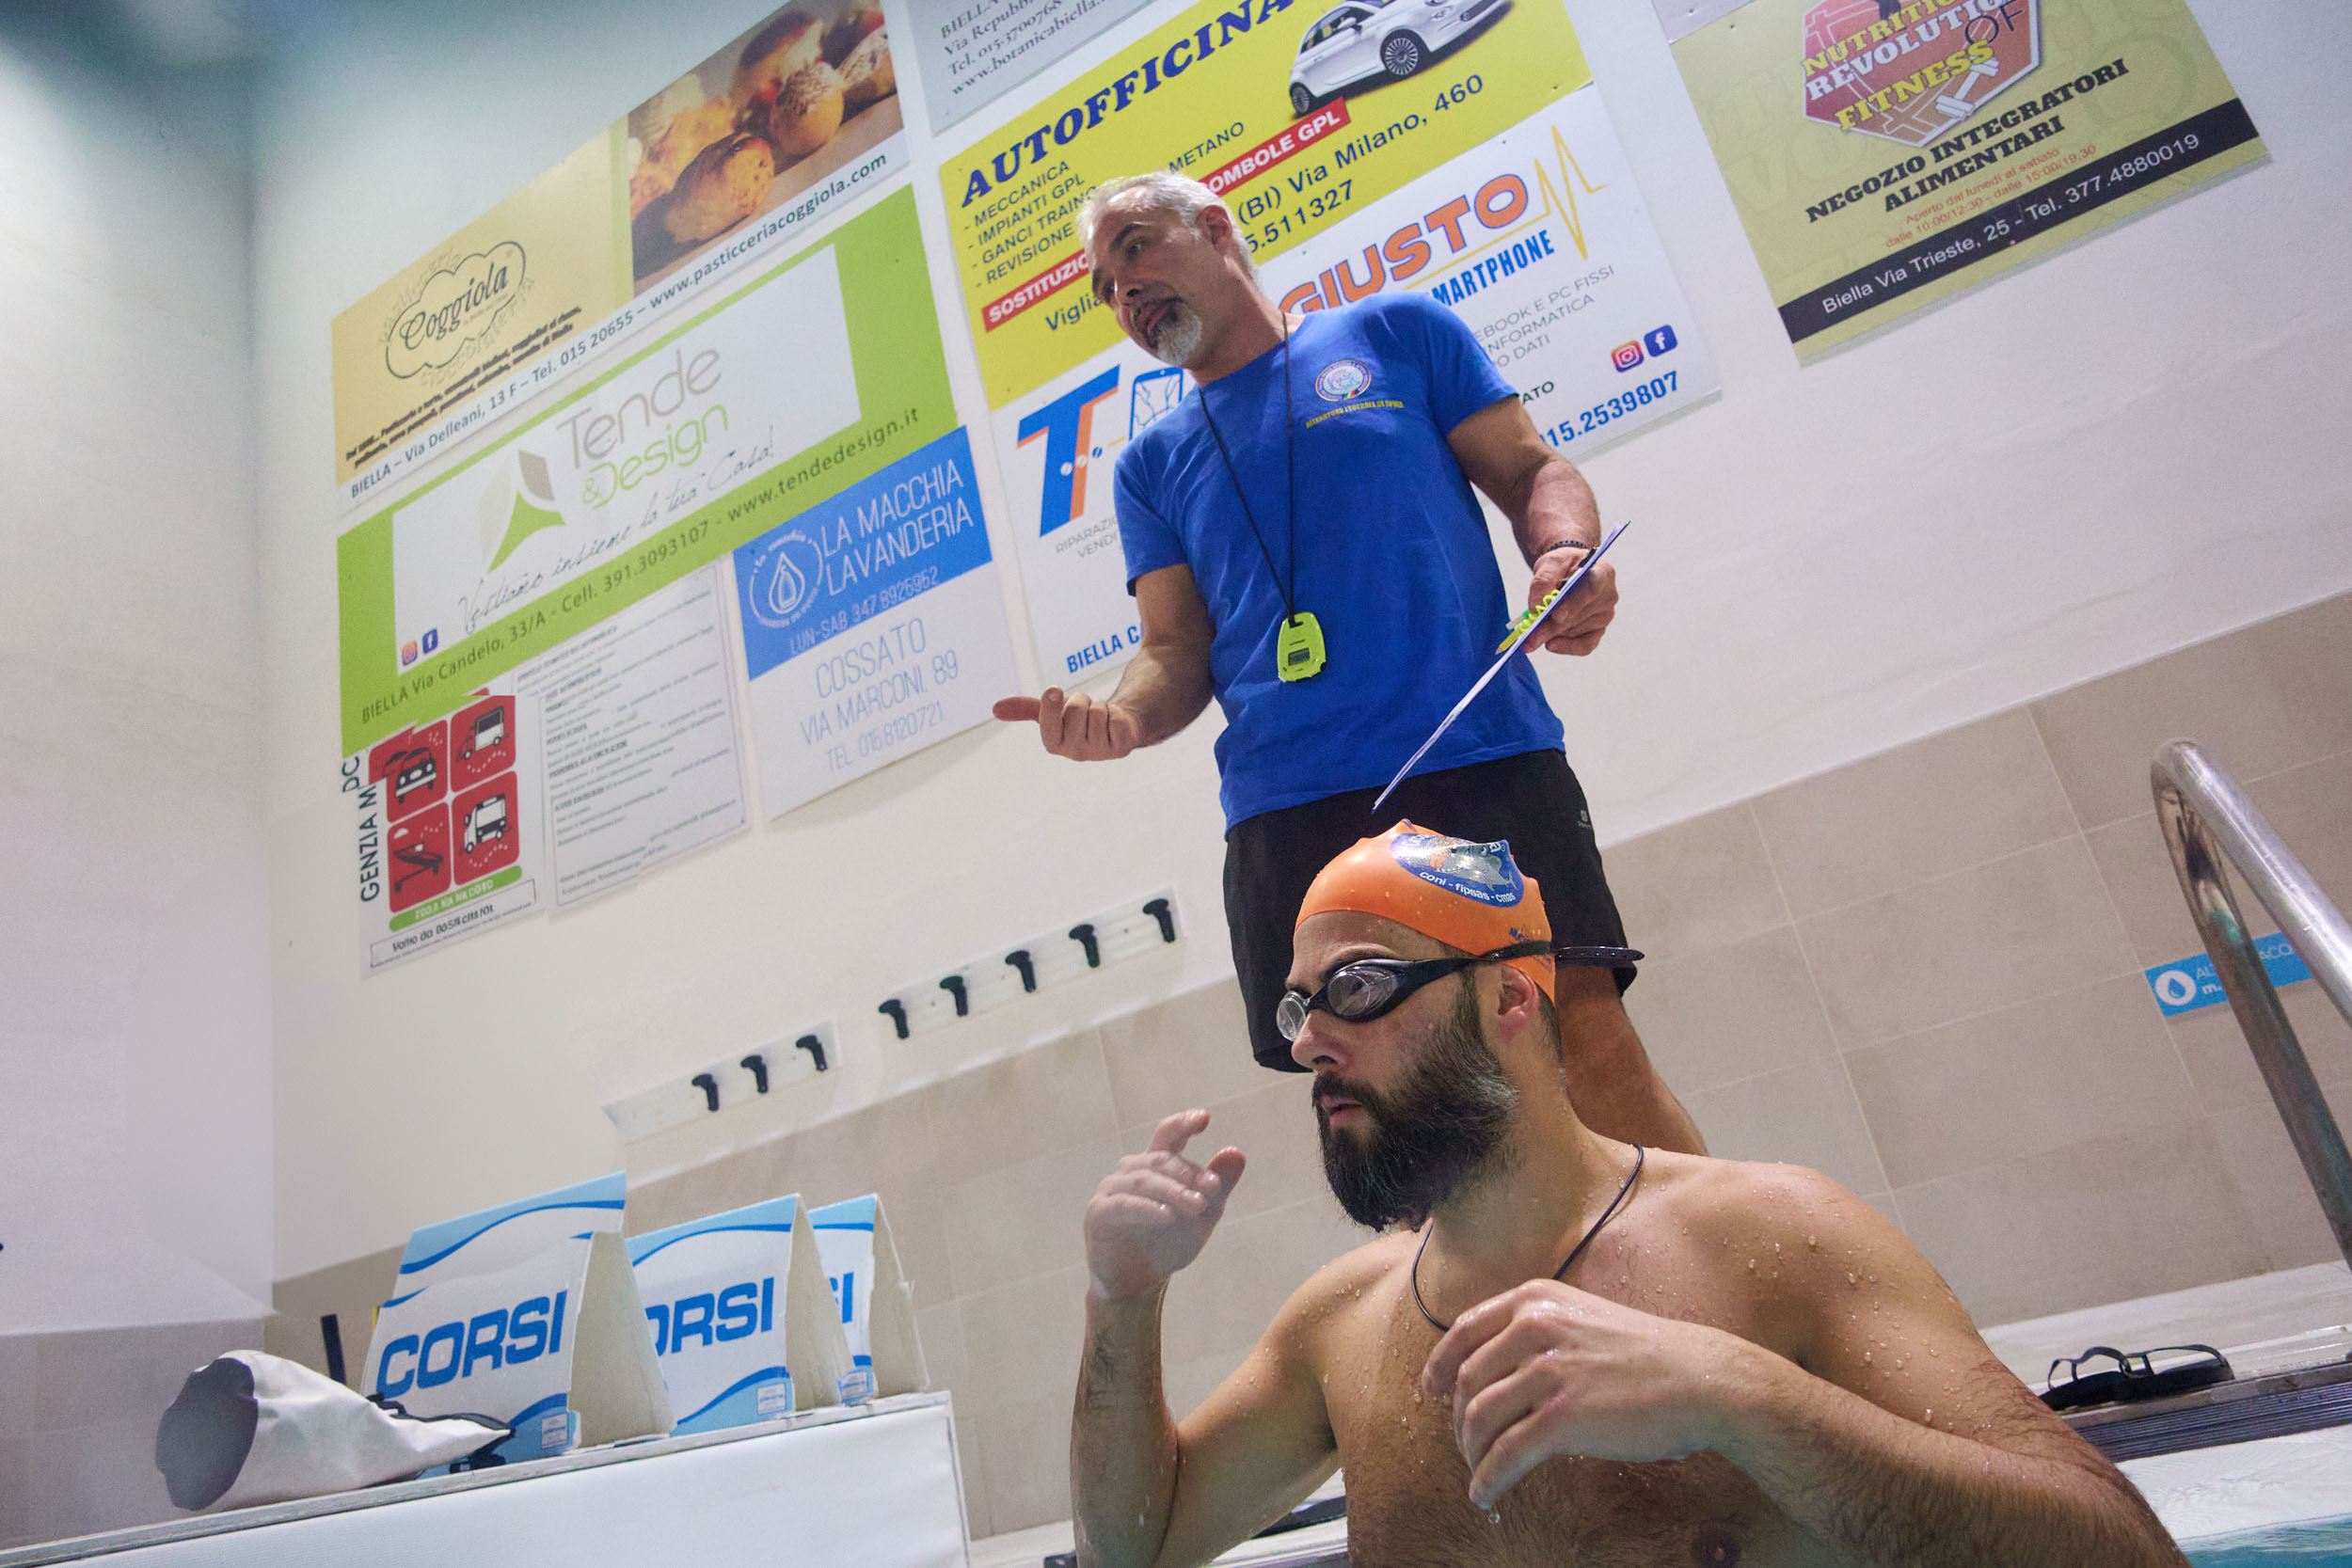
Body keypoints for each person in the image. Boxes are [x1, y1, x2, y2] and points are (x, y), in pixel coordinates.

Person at [1070, 823, 2189, 1568]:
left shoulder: (1772, 1235)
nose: (1311, 1039)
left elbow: (2122, 1549)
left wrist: (1742, 1396)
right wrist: (1122, 1301)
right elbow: (1135, 1545)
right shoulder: (1340, 1324)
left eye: (1355, 985)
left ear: (1511, 997)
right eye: (1297, 1006)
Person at [993, 170, 1700, 1154]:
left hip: (1479, 757)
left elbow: (1533, 468)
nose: (1125, 292)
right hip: (1294, 811)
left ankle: (1705, 1258)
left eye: (1136, 248)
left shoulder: (1397, 332)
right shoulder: (1148, 466)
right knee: (1395, 1121)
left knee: (1581, 1041)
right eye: (1104, 288)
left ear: (1215, 228)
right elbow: (1174, 649)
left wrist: (1565, 553)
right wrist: (1121, 718)